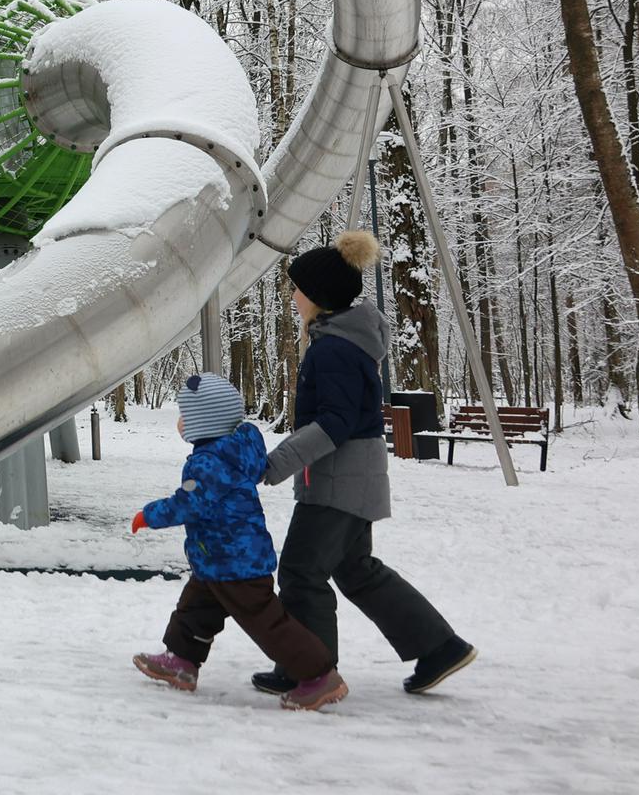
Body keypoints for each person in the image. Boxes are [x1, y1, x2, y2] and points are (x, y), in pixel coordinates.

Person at [256, 230, 476, 696]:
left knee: (300, 571)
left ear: (318, 295)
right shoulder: (342, 342)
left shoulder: (333, 349)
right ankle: (440, 647)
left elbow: (335, 423)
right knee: (356, 569)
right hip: (354, 475)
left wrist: (274, 463)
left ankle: (311, 670)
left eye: (298, 289)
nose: (293, 296)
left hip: (340, 480)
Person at [132, 374, 349, 710]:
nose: (181, 422)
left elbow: (189, 503)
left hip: (233, 563)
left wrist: (149, 515)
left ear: (204, 420)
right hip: (221, 559)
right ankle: (181, 662)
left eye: (186, 415)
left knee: (267, 624)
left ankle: (320, 675)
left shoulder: (208, 463)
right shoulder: (236, 450)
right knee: (195, 609)